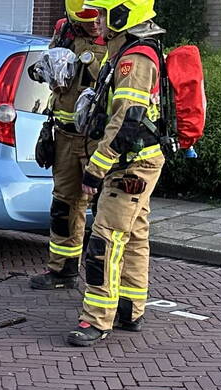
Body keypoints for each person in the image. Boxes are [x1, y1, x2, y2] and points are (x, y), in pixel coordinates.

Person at [67, 0, 165, 347]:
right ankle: (129, 308)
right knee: (134, 235)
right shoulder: (125, 50)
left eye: (104, 14)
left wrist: (96, 170)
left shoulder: (133, 59)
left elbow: (126, 121)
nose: (99, 21)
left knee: (104, 240)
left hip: (129, 164)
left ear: (123, 14)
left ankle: (96, 320)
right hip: (138, 161)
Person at [29, 0, 107, 291]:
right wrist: (47, 71)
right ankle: (62, 270)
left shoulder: (117, 38)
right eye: (89, 19)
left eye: (100, 17)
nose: (96, 24)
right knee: (64, 204)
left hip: (95, 139)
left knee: (103, 209)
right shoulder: (65, 31)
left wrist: (92, 63)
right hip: (63, 134)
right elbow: (46, 67)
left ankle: (104, 281)